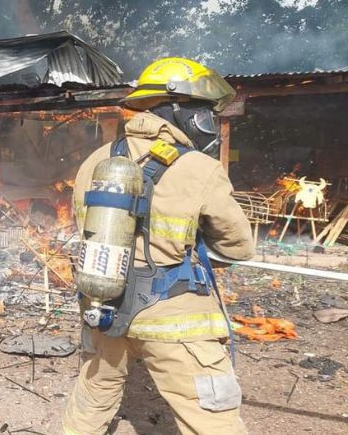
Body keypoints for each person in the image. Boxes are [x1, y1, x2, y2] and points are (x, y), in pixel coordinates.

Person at [62, 57, 255, 435]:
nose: (208, 122)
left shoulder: (95, 161)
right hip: (174, 320)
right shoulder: (199, 167)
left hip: (103, 305)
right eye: (202, 111)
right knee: (211, 415)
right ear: (177, 111)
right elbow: (238, 247)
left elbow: (86, 229)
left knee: (93, 395)